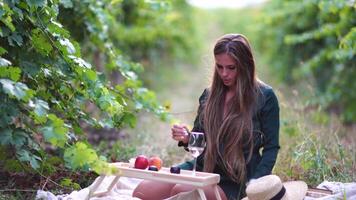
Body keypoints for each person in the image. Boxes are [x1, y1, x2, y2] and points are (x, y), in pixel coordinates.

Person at [133, 33, 280, 200]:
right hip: (204, 167)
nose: (224, 73)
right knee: (142, 192)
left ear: (245, 65)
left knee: (182, 192)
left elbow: (271, 148)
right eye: (219, 66)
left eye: (231, 67)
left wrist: (254, 185)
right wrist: (188, 137)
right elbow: (200, 138)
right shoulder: (209, 95)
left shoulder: (264, 96)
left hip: (236, 177)